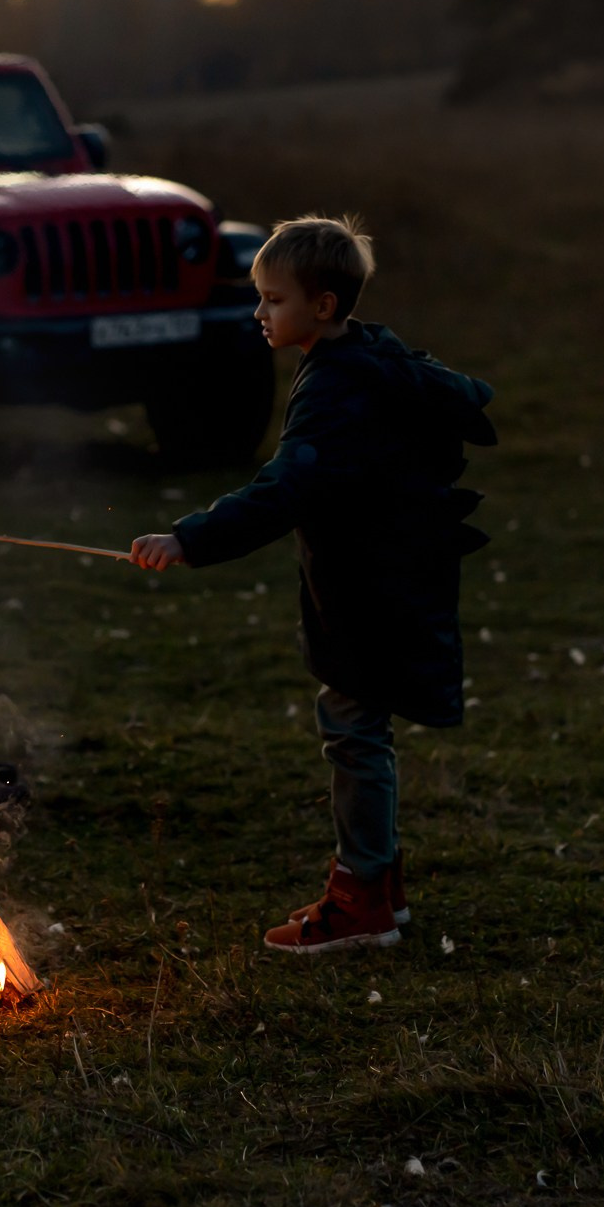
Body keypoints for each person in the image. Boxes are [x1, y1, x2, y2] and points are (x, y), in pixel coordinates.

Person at [131, 215, 495, 954]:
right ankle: (377, 892)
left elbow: (284, 488)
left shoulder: (335, 384)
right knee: (361, 729)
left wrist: (190, 538)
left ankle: (361, 899)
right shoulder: (368, 352)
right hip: (389, 573)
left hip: (372, 585)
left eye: (273, 299)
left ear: (322, 306)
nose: (259, 313)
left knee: (354, 731)